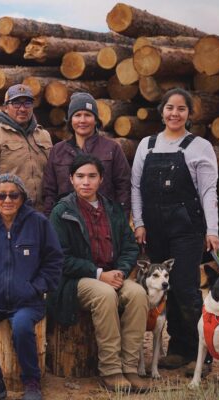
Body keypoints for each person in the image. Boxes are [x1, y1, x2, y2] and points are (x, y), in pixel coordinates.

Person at [130, 88, 219, 370]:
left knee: (185, 289)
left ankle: (201, 355)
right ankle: (177, 348)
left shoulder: (199, 146)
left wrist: (212, 230)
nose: (175, 114)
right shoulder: (147, 144)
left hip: (187, 229)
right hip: (154, 228)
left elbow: (208, 192)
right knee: (162, 291)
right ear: (162, 111)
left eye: (181, 109)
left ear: (189, 114)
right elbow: (135, 187)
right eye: (170, 108)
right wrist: (140, 222)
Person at [48, 154, 151, 393]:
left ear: (101, 179)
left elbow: (129, 247)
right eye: (80, 176)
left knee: (137, 294)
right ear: (71, 179)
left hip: (112, 275)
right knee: (104, 294)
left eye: (92, 176)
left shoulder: (112, 209)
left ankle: (130, 368)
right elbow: (59, 258)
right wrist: (98, 273)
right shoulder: (61, 212)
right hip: (74, 281)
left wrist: (122, 272)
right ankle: (111, 370)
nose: (86, 182)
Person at [0, 174, 63, 400]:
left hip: (28, 300)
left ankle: (32, 382)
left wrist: (35, 287)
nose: (8, 200)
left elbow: (54, 261)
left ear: (22, 197)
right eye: (1, 195)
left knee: (23, 327)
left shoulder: (38, 223)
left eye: (13, 195)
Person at [42, 92, 131, 216]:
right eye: (77, 115)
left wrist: (122, 220)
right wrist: (50, 221)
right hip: (66, 221)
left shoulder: (112, 148)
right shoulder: (58, 150)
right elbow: (49, 191)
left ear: (96, 120)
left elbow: (124, 186)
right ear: (70, 120)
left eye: (88, 115)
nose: (82, 120)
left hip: (104, 221)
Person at [0, 84, 52, 211]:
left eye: (27, 103)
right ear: (5, 107)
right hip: (11, 210)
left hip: (42, 211)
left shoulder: (44, 135)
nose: (22, 108)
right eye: (16, 103)